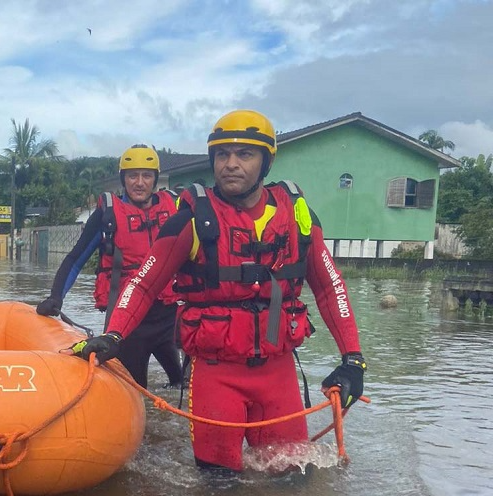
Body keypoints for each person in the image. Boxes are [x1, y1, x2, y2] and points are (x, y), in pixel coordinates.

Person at [69, 110, 365, 473]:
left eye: (245, 154)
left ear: (266, 161)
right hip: (215, 376)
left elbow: (331, 288)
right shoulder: (192, 220)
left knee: (292, 483)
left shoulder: (298, 216)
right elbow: (143, 284)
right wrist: (113, 335)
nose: (231, 164)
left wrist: (353, 360)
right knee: (218, 491)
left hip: (279, 376)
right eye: (222, 155)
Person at [37, 144, 184, 389]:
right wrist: (56, 296)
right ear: (123, 179)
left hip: (167, 317)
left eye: (146, 175)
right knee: (137, 393)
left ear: (156, 180)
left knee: (180, 384)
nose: (139, 182)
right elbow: (75, 259)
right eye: (132, 175)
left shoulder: (175, 209)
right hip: (128, 323)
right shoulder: (109, 216)